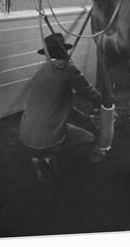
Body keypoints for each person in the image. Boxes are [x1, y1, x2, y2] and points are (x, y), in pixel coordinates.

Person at [20, 32, 103, 184]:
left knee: (55, 121)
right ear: (64, 51)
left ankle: (41, 156)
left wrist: (86, 119)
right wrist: (102, 104)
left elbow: (62, 108)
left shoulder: (41, 71)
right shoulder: (68, 69)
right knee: (89, 139)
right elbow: (91, 93)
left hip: (25, 135)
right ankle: (49, 158)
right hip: (47, 136)